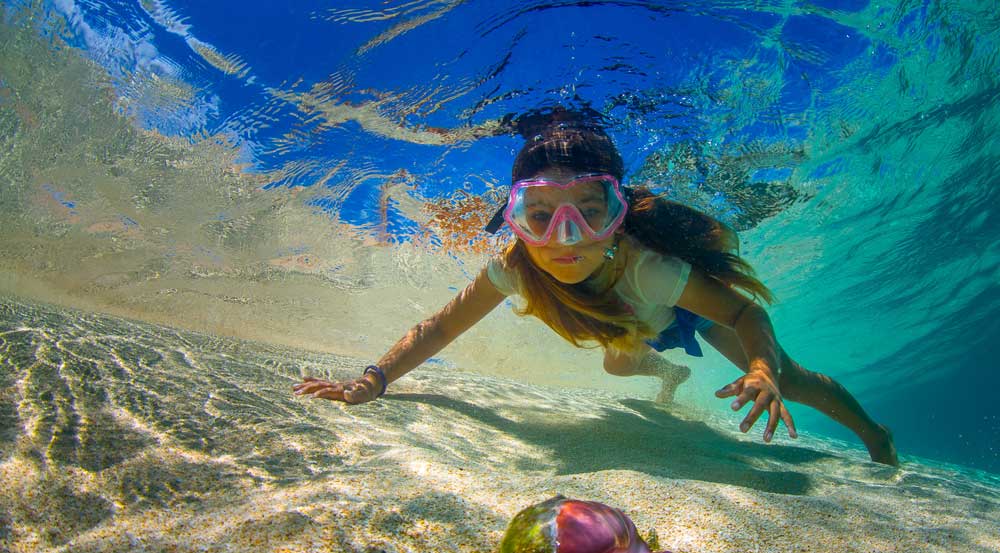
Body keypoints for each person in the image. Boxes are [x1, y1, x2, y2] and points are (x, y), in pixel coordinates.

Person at [293, 112, 898, 466]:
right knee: (615, 369)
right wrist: (372, 381)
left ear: (618, 213)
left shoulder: (650, 268)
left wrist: (763, 369)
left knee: (789, 376)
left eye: (589, 211)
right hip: (624, 323)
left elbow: (742, 311)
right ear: (515, 219)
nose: (567, 237)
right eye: (541, 215)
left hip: (674, 313)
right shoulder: (513, 267)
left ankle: (875, 432)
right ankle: (666, 376)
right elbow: (442, 327)